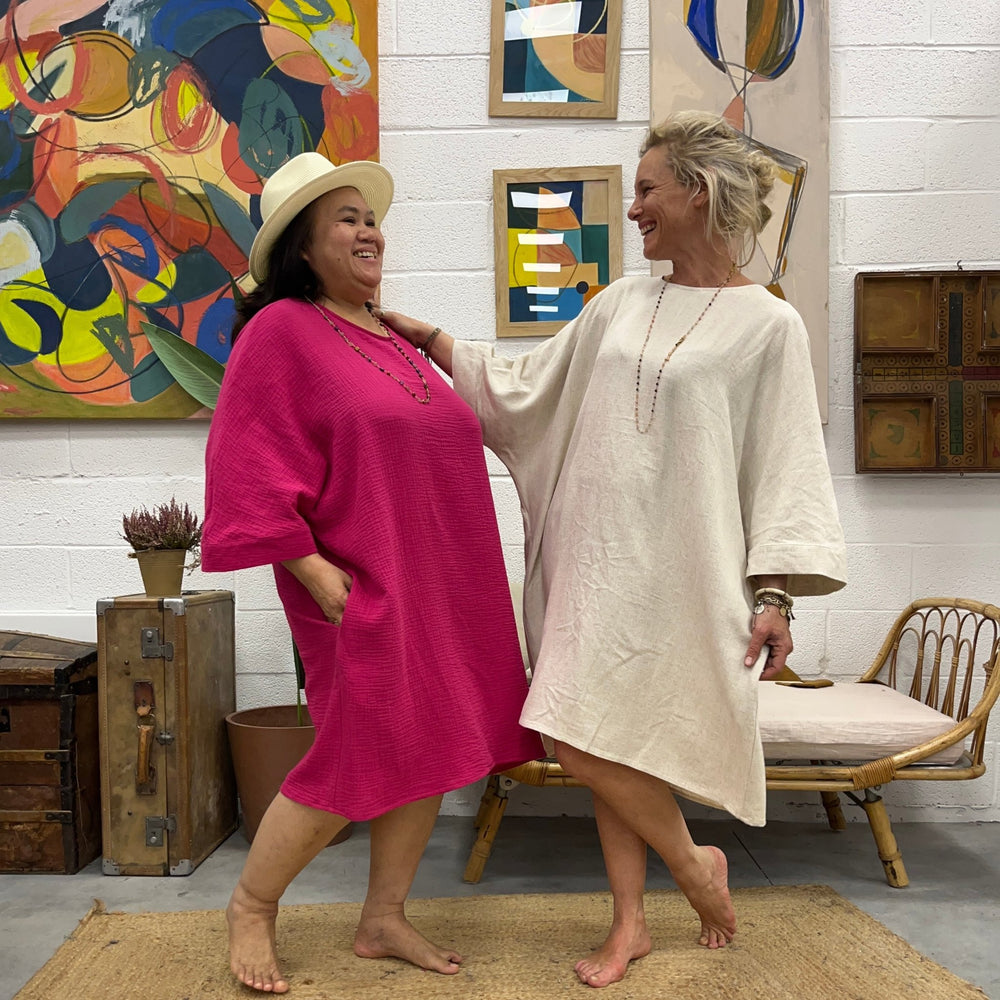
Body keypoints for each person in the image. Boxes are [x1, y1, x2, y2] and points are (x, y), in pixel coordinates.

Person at [378, 110, 847, 988]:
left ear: (697, 193)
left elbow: (782, 466)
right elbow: (527, 388)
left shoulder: (770, 326)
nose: (633, 209)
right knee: (577, 730)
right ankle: (682, 874)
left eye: (646, 190)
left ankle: (644, 910)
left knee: (616, 741)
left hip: (685, 573)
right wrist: (433, 342)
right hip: (595, 566)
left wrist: (775, 596)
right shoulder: (624, 302)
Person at [201, 151, 543, 993]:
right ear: (303, 246)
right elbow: (244, 463)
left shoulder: (393, 337)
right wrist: (312, 569)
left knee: (430, 740)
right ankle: (252, 904)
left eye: (371, 218)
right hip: (353, 585)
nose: (369, 232)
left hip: (438, 585)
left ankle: (383, 917)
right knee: (355, 750)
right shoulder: (282, 331)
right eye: (346, 219)